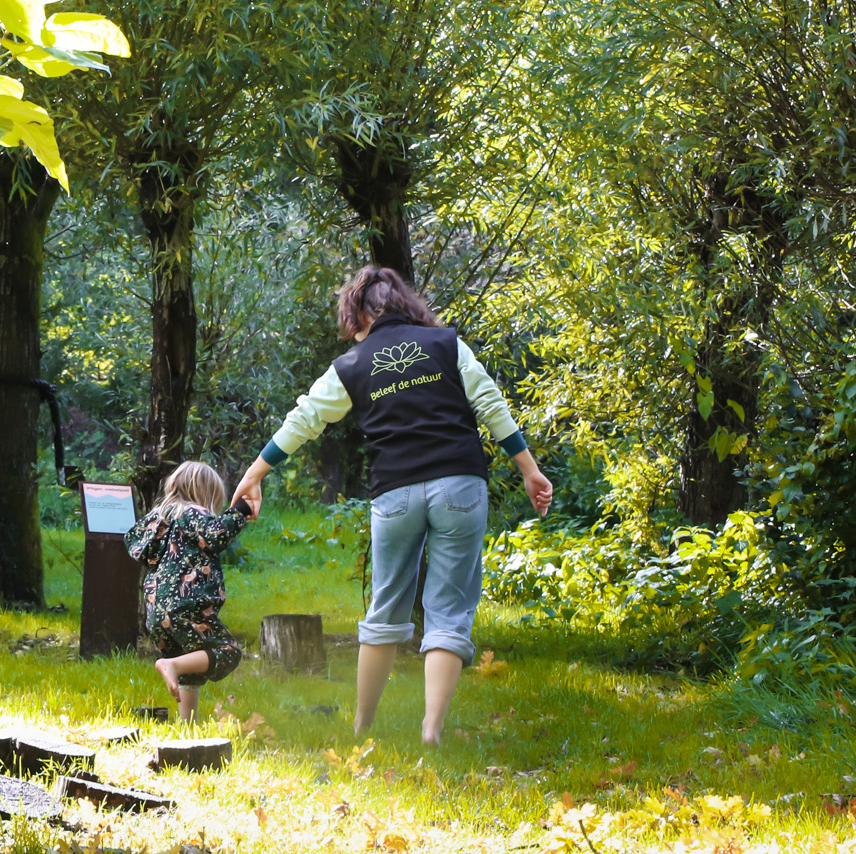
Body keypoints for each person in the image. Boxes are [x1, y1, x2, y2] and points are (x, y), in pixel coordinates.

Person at [231, 266, 551, 744]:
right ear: (404, 304)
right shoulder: (446, 344)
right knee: (449, 609)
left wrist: (256, 471)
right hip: (459, 485)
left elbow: (306, 418)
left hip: (395, 494)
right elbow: (489, 402)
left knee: (385, 611)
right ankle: (431, 728)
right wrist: (529, 469)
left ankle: (361, 727)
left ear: (358, 313)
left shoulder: (352, 365)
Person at [125, 461, 261, 721]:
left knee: (191, 663)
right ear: (205, 493)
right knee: (227, 652)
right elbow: (216, 534)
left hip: (157, 612)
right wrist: (240, 510)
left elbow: (133, 544)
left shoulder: (159, 519)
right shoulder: (192, 512)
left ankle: (188, 725)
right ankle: (170, 665)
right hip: (186, 607)